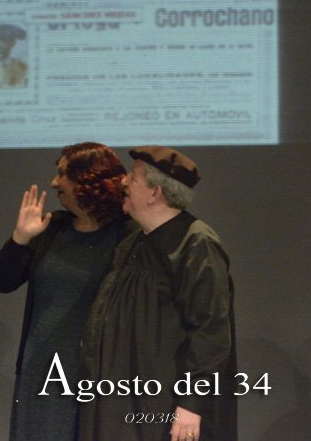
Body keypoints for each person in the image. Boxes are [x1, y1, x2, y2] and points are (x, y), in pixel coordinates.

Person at [78, 146, 237, 441]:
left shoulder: (195, 244)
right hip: (120, 396)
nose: (123, 182)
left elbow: (210, 332)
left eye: (133, 177)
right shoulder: (134, 240)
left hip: (161, 404)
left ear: (155, 193)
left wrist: (191, 404)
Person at [0, 142, 129, 441]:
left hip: (99, 376)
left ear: (86, 180)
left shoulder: (128, 235)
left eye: (62, 174)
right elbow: (0, 282)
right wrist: (20, 239)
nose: (53, 183)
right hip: (41, 371)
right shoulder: (53, 228)